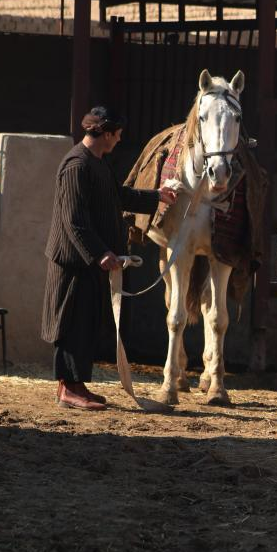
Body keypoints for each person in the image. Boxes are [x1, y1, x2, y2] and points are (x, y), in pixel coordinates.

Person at [40, 106, 176, 410]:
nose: (119, 140)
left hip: (89, 263)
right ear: (104, 133)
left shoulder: (98, 163)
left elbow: (120, 196)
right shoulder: (77, 165)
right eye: (117, 134)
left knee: (87, 323)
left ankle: (77, 385)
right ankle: (67, 389)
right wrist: (99, 253)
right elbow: (73, 220)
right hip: (74, 263)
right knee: (71, 323)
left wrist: (158, 196)